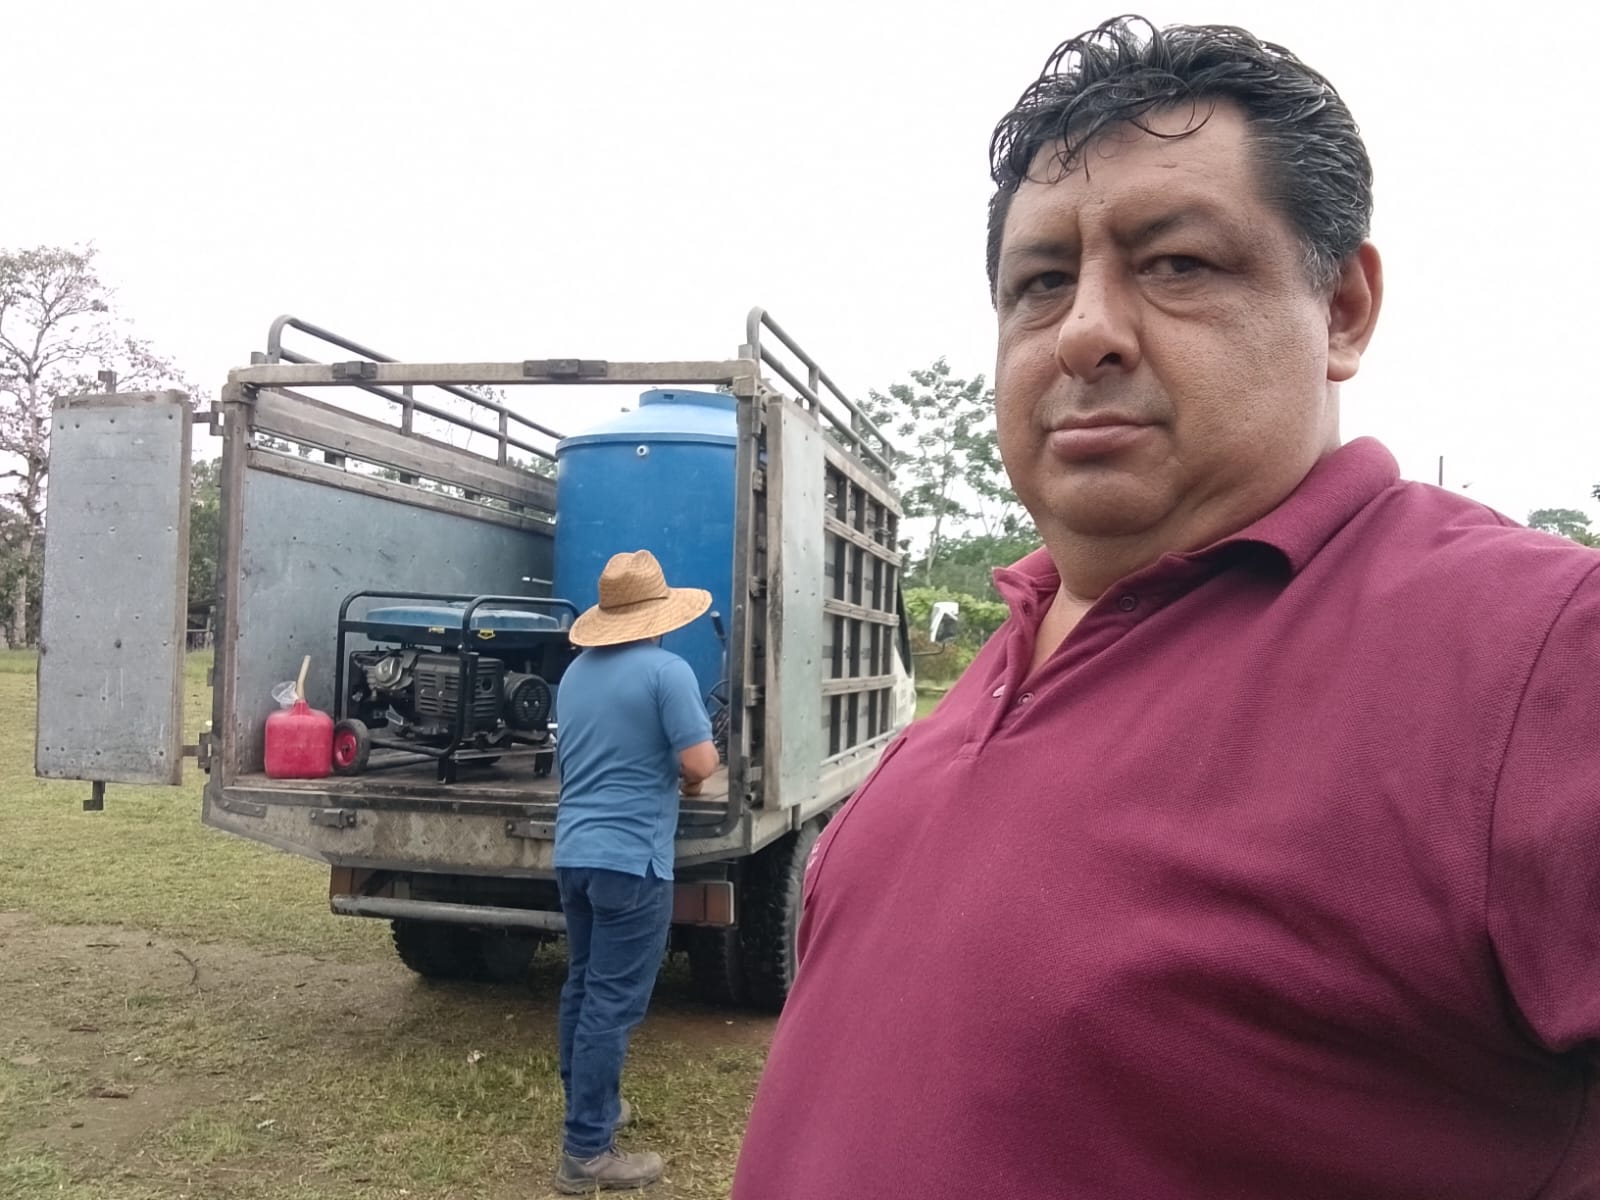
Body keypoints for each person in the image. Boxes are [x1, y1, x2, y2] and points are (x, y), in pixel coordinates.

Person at [733, 16, 1600, 1200]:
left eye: (1176, 263)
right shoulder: (985, 675)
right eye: (1040, 283)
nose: (1084, 330)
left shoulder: (1539, 654)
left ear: (1343, 308)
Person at [552, 549, 718, 1194]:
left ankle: (588, 1105)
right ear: (659, 616)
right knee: (612, 1004)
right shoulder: (667, 671)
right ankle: (587, 1151)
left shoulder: (575, 674)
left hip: (575, 853)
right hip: (632, 860)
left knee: (583, 986)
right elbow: (699, 763)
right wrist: (684, 776)